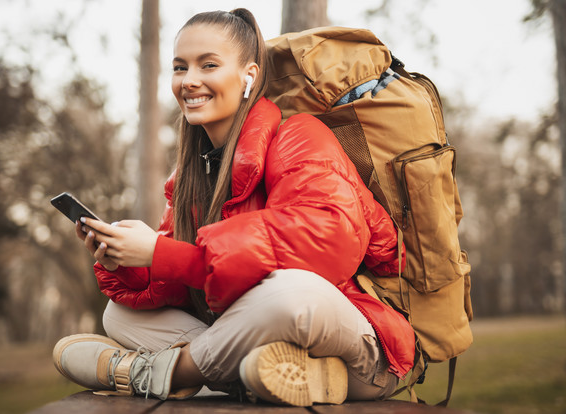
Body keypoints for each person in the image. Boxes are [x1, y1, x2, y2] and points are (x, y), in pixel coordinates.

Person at [52, 8, 415, 407]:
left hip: (356, 348)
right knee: (119, 316)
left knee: (289, 292)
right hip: (267, 349)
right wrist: (131, 261)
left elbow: (328, 241)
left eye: (208, 64)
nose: (189, 80)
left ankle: (148, 372)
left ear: (249, 75)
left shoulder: (299, 136)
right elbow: (183, 281)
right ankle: (270, 376)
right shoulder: (191, 176)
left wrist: (162, 252)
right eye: (179, 67)